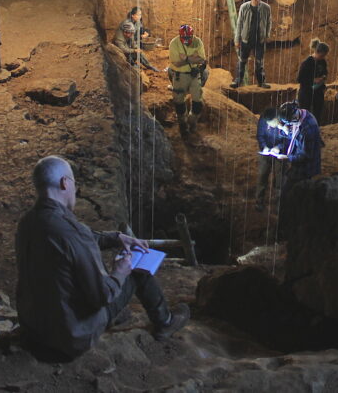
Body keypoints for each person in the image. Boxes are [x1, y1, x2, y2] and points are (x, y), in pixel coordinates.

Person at [15, 155, 189, 360]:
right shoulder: (71, 232)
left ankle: (128, 313)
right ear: (64, 183)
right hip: (71, 337)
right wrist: (120, 272)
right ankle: (165, 323)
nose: (75, 190)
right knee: (136, 269)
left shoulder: (27, 222)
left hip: (34, 330)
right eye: (73, 183)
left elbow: (74, 242)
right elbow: (101, 296)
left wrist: (116, 238)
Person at [276, 101, 322, 205]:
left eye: (289, 122)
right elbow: (294, 134)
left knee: (290, 192)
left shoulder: (307, 128)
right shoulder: (301, 115)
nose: (289, 124)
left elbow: (305, 155)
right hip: (301, 162)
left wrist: (288, 157)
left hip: (306, 167)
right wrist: (284, 130)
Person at [168, 24, 208, 134]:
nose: (187, 40)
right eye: (184, 38)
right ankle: (182, 124)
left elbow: (202, 60)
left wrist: (185, 58)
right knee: (179, 101)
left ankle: (192, 121)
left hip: (194, 74)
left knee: (197, 101)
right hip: (179, 75)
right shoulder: (174, 43)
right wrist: (193, 59)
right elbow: (176, 63)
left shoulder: (197, 42)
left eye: (189, 38)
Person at [231, 0, 271, 89]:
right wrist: (237, 39)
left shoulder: (266, 8)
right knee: (242, 61)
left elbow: (269, 22)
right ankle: (238, 81)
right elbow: (239, 24)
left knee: (259, 62)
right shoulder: (244, 7)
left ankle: (261, 82)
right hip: (246, 39)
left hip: (260, 40)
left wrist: (267, 35)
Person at [254, 107, 287, 211]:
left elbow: (288, 138)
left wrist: (279, 147)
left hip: (280, 153)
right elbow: (260, 135)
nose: (269, 125)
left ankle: (278, 204)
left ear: (277, 119)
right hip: (266, 152)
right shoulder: (263, 120)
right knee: (262, 175)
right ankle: (259, 202)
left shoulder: (285, 121)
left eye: (271, 123)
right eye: (268, 123)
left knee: (280, 177)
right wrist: (264, 147)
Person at [296, 39, 329, 123]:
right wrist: (313, 80)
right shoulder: (307, 63)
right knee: (304, 116)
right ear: (317, 52)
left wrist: (323, 77)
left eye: (324, 56)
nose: (323, 57)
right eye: (322, 55)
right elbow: (300, 78)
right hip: (306, 93)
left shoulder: (322, 62)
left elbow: (325, 72)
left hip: (318, 93)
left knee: (317, 115)